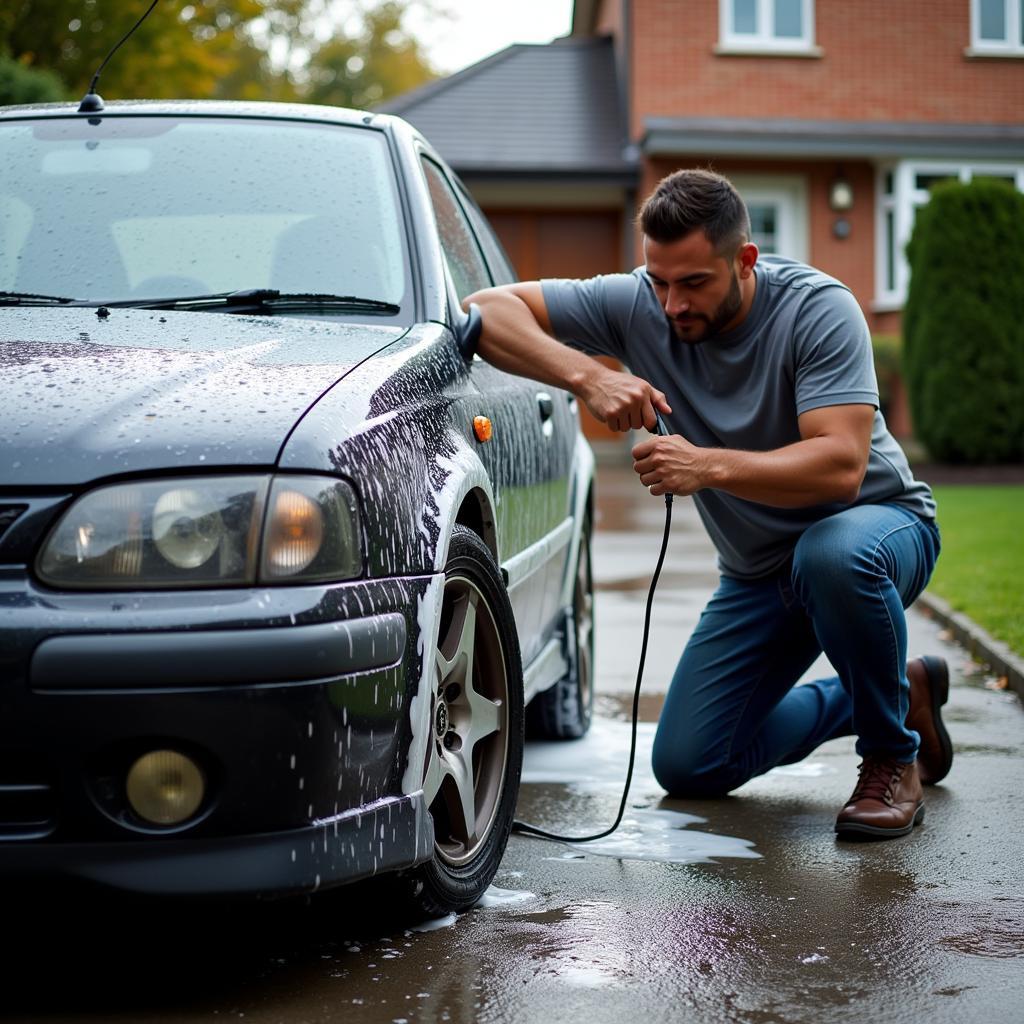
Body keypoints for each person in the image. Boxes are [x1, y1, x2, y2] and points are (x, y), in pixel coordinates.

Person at [465, 168, 953, 840]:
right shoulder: (638, 302)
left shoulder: (818, 309)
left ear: (744, 260)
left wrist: (706, 465)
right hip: (761, 575)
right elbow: (487, 309)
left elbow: (840, 467)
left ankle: (893, 759)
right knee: (691, 762)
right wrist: (589, 375)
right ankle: (901, 694)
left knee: (831, 555)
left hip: (877, 532)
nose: (671, 305)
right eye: (659, 281)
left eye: (693, 283)